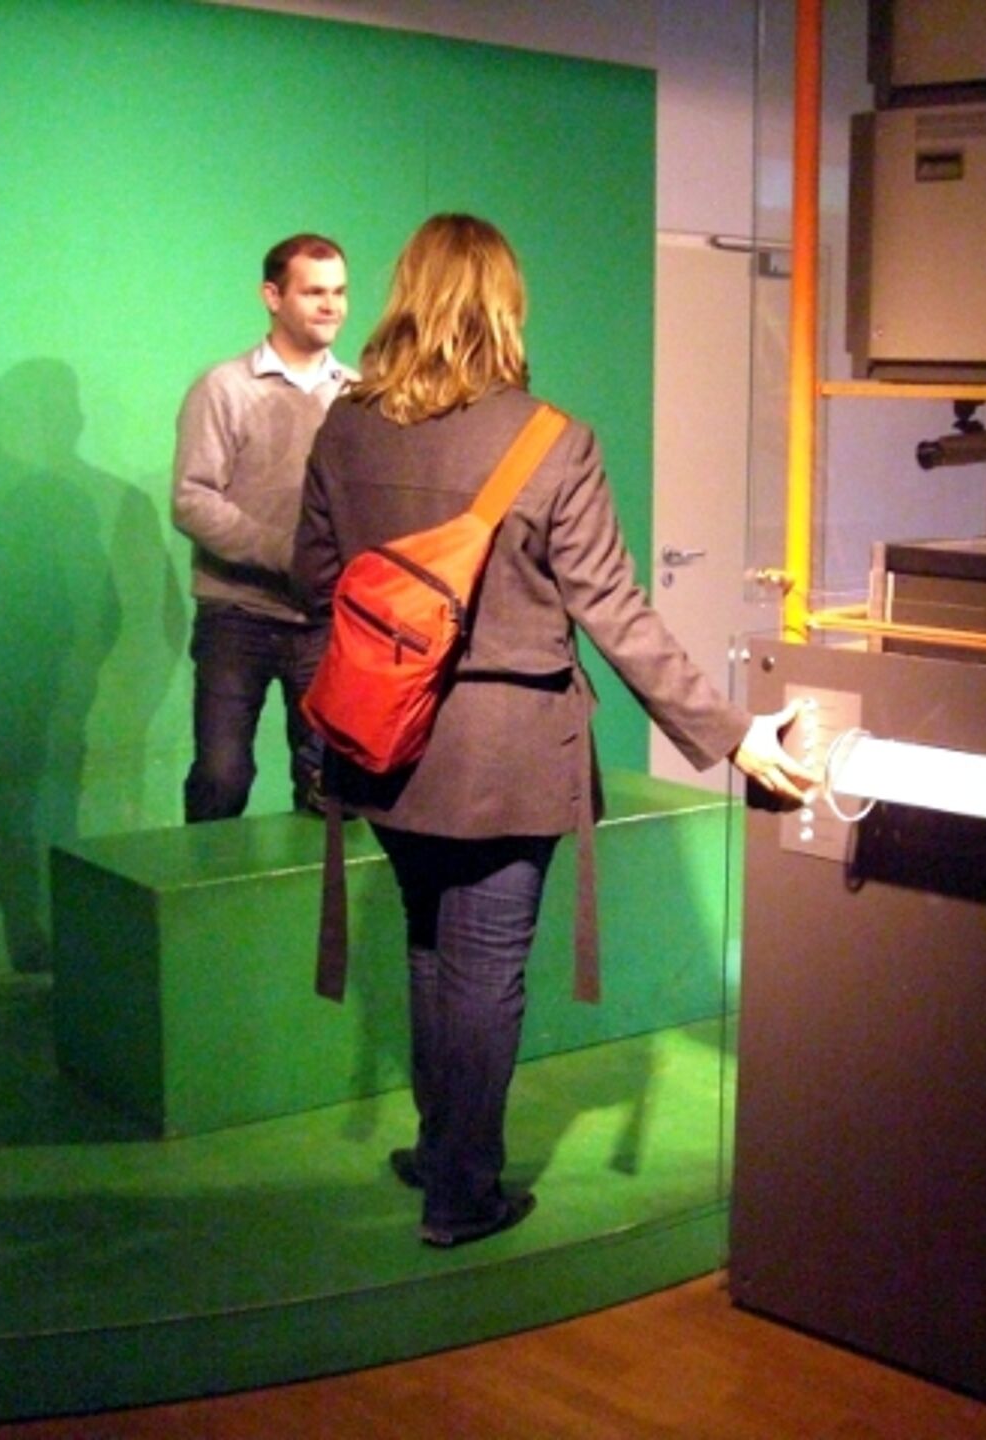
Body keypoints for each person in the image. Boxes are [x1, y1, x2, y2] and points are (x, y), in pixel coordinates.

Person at [293, 214, 819, 1248]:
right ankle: (461, 1193)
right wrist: (732, 733)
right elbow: (614, 612)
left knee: (432, 950)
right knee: (482, 970)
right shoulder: (550, 440)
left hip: (385, 746)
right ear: (506, 305)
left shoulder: (345, 429)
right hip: (509, 758)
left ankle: (441, 1150)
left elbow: (316, 581)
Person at [173, 233, 352, 820]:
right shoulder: (223, 387)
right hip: (237, 616)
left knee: (328, 788)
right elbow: (192, 500)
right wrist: (290, 553)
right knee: (221, 779)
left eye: (339, 292)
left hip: (325, 621)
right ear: (272, 296)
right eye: (314, 292)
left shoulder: (358, 395)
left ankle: (324, 888)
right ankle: (203, 880)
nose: (331, 306)